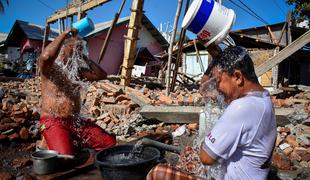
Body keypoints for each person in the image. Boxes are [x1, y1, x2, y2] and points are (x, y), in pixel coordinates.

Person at [147, 46, 276, 180]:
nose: (217, 88)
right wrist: (215, 58)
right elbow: (203, 84)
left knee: (157, 173)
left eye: (218, 81)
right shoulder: (264, 98)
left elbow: (206, 158)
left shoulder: (241, 107)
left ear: (237, 77)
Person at [38, 28, 116, 156]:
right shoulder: (49, 69)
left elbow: (101, 75)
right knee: (66, 157)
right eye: (72, 48)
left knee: (110, 144)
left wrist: (84, 57)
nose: (75, 51)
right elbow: (46, 56)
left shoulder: (77, 73)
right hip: (53, 120)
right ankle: (49, 140)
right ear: (61, 50)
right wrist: (63, 35)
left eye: (78, 49)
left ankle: (70, 140)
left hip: (75, 121)